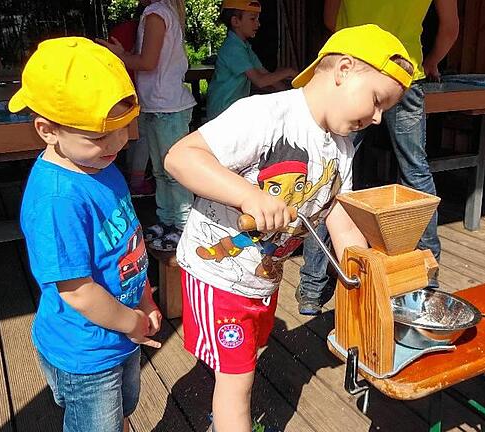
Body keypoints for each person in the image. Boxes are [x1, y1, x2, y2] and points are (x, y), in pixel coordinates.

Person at [164, 24, 415, 432]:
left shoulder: (340, 145)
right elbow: (180, 157)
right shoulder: (264, 115)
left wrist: (361, 263)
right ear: (344, 70)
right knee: (237, 380)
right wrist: (250, 196)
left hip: (262, 276)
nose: (377, 118)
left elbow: (335, 209)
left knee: (240, 362)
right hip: (219, 273)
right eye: (375, 101)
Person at [12, 37, 163, 432]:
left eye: (122, 128)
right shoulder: (56, 199)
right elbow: (76, 290)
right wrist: (131, 323)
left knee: (125, 405)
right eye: (98, 136)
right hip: (85, 349)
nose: (116, 143)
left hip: (123, 328)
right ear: (48, 130)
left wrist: (145, 299)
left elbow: (128, 245)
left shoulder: (102, 166)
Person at [296, 0, 459, 315]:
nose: (376, 118)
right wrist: (431, 62)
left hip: (358, 71)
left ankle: (312, 288)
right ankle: (427, 275)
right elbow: (449, 29)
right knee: (416, 172)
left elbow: (330, 18)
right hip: (405, 77)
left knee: (327, 172)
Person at [99, 0, 197, 252]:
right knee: (163, 171)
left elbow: (148, 62)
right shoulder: (161, 12)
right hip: (159, 105)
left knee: (174, 172)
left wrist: (119, 57)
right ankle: (169, 221)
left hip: (167, 107)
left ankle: (185, 227)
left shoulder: (156, 14)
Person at [206, 0, 298, 120]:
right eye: (252, 19)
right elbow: (260, 80)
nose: (258, 24)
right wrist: (289, 72)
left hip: (233, 110)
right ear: (235, 21)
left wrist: (290, 93)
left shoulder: (244, 46)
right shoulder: (233, 48)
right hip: (223, 112)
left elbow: (265, 74)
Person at [108, 8, 156, 196]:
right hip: (133, 90)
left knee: (129, 135)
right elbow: (146, 62)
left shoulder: (122, 29)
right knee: (142, 137)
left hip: (119, 89)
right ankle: (137, 181)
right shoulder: (142, 28)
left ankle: (132, 176)